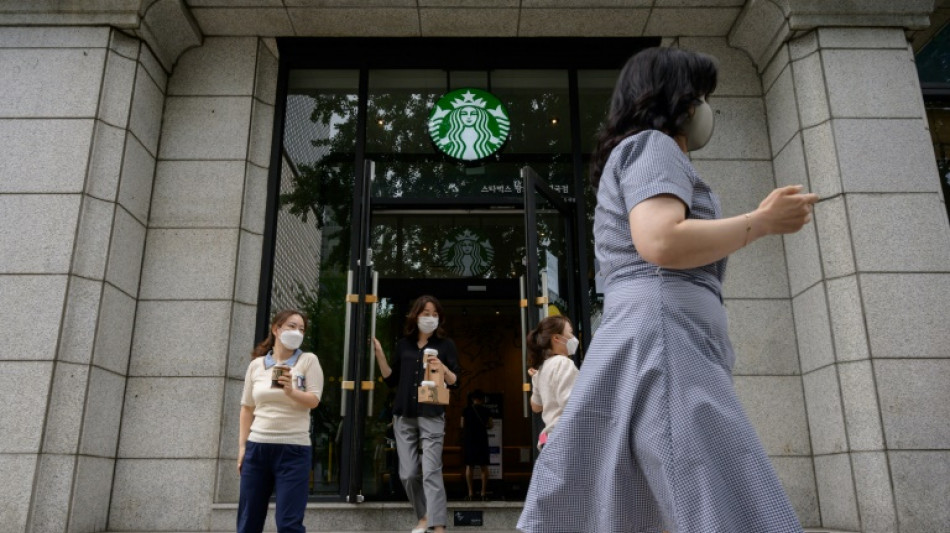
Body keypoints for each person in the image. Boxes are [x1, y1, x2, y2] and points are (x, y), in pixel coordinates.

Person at [518, 47, 818, 533]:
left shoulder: (635, 152)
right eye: (700, 95)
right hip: (667, 332)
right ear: (677, 99)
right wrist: (761, 222)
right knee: (717, 489)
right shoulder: (654, 146)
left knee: (635, 493)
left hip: (653, 328)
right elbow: (661, 240)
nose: (704, 108)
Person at [374, 295, 461, 533]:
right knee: (408, 473)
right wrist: (379, 354)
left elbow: (455, 381)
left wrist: (442, 367)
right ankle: (423, 516)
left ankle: (438, 526)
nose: (430, 318)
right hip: (403, 415)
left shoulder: (446, 345)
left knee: (431, 471)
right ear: (416, 316)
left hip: (432, 413)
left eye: (434, 314)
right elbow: (391, 379)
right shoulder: (404, 345)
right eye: (425, 313)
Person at [238, 309, 325, 533]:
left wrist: (290, 391)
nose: (297, 332)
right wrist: (242, 448)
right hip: (257, 448)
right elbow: (247, 407)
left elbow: (314, 400)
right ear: (276, 329)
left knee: (289, 523)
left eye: (301, 329)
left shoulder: (308, 361)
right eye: (292, 327)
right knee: (248, 520)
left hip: (294, 449)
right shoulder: (256, 365)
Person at [525, 316, 579, 451]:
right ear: (556, 338)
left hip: (547, 438)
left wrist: (536, 380)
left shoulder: (543, 368)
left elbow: (536, 407)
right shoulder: (563, 363)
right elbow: (571, 404)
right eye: (570, 332)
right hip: (566, 439)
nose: (573, 337)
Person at [461, 389, 493, 501]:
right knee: (484, 466)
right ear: (482, 399)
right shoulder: (486, 410)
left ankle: (470, 493)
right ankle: (483, 493)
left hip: (470, 440)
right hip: (482, 439)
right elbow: (490, 425)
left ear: (472, 399)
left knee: (469, 466)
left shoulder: (466, 410)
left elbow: (462, 424)